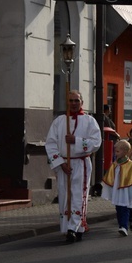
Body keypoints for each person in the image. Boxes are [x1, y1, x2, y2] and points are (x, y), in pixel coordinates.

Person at [45, 91, 102, 243]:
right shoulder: (59, 121)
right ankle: (67, 227)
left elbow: (96, 142)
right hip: (63, 163)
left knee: (79, 195)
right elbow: (50, 143)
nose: (74, 103)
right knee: (64, 195)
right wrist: (60, 163)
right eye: (71, 100)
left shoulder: (89, 121)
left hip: (80, 163)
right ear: (67, 102)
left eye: (77, 100)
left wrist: (76, 140)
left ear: (81, 102)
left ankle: (75, 227)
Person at [101, 140, 132, 237]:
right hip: (117, 190)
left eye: (117, 151)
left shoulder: (131, 165)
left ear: (125, 152)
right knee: (118, 208)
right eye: (115, 151)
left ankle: (124, 226)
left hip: (126, 191)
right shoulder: (115, 164)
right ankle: (121, 225)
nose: (115, 153)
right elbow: (110, 176)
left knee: (124, 207)